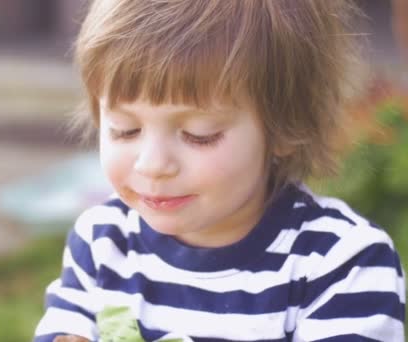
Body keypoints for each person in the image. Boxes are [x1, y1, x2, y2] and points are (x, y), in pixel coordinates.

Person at [34, 1, 406, 341]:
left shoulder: (341, 264)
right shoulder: (102, 241)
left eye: (199, 135)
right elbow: (68, 328)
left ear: (284, 128)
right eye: (125, 130)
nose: (152, 164)